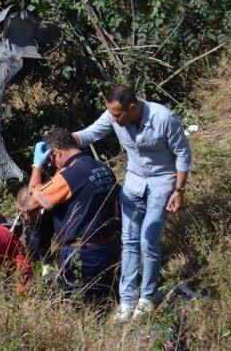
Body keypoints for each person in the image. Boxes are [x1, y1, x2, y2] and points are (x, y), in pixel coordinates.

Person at [73, 85, 192, 320]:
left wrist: (178, 190)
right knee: (129, 240)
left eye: (117, 114)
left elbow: (182, 155)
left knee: (148, 240)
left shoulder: (164, 118)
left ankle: (147, 297)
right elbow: (89, 134)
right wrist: (60, 142)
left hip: (162, 183)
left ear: (133, 107)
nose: (113, 119)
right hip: (134, 183)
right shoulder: (113, 116)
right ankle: (127, 301)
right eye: (111, 114)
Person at [19, 128, 120, 304]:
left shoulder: (69, 176)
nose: (52, 165)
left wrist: (37, 167)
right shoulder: (103, 167)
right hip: (111, 249)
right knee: (107, 304)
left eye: (51, 160)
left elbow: (30, 204)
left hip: (83, 256)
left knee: (77, 309)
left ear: (56, 152)